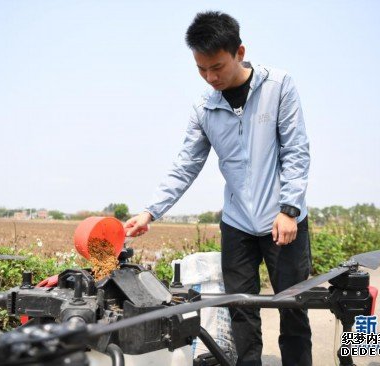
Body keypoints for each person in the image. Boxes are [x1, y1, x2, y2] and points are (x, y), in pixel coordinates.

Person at [124, 11, 312, 366]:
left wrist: (289, 209)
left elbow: (296, 150)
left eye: (218, 67)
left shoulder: (279, 86)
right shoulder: (204, 108)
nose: (210, 78)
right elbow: (185, 165)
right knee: (240, 309)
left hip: (283, 222)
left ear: (239, 52)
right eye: (201, 69)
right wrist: (150, 211)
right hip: (238, 224)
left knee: (293, 308)